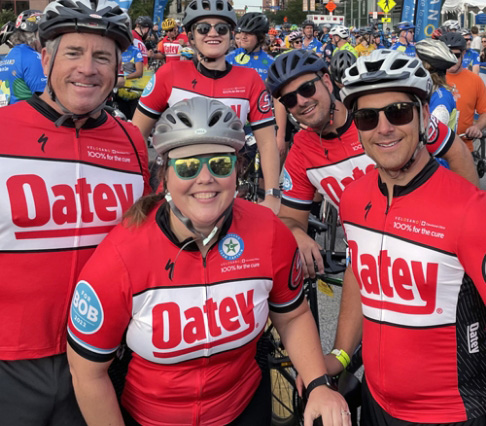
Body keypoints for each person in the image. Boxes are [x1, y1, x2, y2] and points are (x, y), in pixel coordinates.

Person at [66, 96, 351, 426]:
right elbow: (87, 372)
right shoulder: (122, 254)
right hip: (151, 417)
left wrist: (317, 385)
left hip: (244, 407)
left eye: (220, 164)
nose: (206, 178)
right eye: (188, 166)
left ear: (237, 171)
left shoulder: (268, 231)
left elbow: (292, 315)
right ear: (165, 176)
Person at [0, 0, 151, 424]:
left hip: (100, 360)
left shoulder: (131, 142)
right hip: (9, 360)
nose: (88, 68)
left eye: (102, 56)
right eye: (73, 53)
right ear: (45, 58)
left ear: (118, 67)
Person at [334, 47, 486, 426]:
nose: (383, 128)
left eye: (398, 113)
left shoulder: (468, 209)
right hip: (374, 404)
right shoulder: (352, 198)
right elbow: (358, 273)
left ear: (422, 116)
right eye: (367, 118)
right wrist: (339, 354)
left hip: (449, 414)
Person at [266, 49, 478, 279]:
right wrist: (297, 233)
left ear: (326, 81)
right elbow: (289, 217)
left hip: (431, 245)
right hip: (369, 256)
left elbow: (457, 153)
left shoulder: (382, 115)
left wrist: (470, 226)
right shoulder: (300, 153)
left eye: (307, 89)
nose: (301, 102)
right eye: (289, 99)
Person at [132, 0, 281, 215]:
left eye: (221, 28)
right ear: (191, 36)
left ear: (231, 35)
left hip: (225, 191)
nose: (213, 33)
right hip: (174, 189)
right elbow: (136, 137)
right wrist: (142, 190)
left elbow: (267, 143)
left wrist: (272, 195)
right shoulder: (169, 74)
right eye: (203, 28)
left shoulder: (250, 79)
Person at [442, 32, 486, 152]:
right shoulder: (431, 79)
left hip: (464, 148)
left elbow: (484, 112)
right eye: (446, 54)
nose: (451, 59)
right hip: (434, 150)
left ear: (463, 54)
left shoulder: (475, 80)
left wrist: (477, 127)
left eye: (455, 55)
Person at [0, 10, 46, 106]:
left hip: (7, 116)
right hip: (28, 118)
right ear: (34, 34)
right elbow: (46, 100)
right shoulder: (34, 58)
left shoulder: (10, 55)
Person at [416, 38, 458, 131]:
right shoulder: (432, 92)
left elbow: (431, 137)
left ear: (426, 67)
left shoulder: (441, 100)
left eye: (417, 62)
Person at [226, 12, 273, 81]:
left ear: (260, 37)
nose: (243, 37)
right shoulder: (228, 58)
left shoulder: (271, 63)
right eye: (242, 32)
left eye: (249, 33)